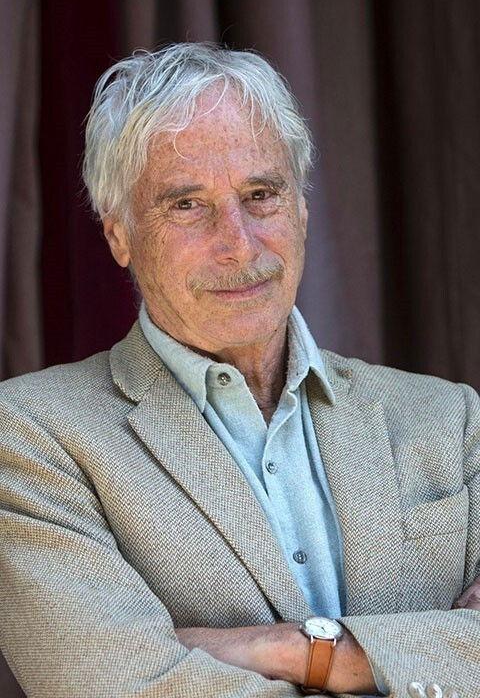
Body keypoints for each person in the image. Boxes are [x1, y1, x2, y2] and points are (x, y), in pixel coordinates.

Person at [0, 43, 478, 698]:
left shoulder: (453, 419)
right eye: (187, 205)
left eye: (261, 194)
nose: (239, 244)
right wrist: (430, 653)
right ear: (119, 235)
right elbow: (113, 685)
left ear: (302, 209)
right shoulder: (29, 436)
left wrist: (295, 651)